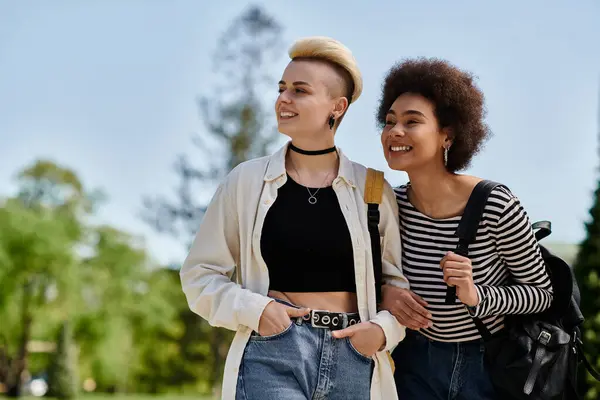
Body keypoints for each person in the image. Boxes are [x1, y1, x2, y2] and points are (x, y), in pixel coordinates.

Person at [179, 36, 408, 400]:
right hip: (274, 351)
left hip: (355, 355)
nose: (283, 99)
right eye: (281, 88)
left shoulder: (373, 189)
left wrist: (381, 332)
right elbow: (199, 275)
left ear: (337, 106)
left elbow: (398, 289)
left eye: (300, 91)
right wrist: (260, 311)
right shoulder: (246, 181)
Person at [376, 57, 554, 400]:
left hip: (486, 364)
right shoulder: (389, 206)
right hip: (412, 360)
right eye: (389, 121)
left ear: (448, 134)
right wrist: (385, 292)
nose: (395, 132)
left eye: (412, 121)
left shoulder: (494, 204)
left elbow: (542, 293)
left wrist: (477, 294)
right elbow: (368, 274)